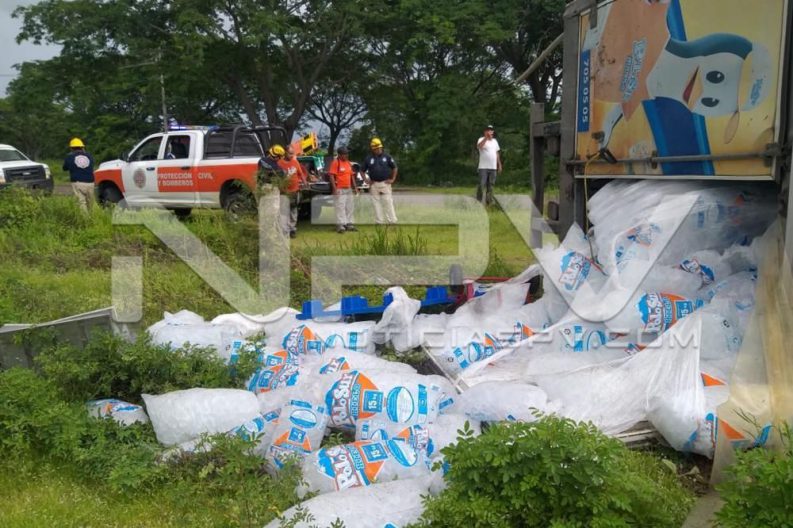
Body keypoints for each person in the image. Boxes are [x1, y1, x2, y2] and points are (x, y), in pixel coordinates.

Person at [362, 137, 398, 224]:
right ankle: (379, 221)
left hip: (385, 183)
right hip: (374, 184)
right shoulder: (368, 158)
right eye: (376, 148)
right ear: (372, 149)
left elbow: (395, 167)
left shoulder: (387, 157)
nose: (378, 150)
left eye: (379, 148)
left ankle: (392, 221)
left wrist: (392, 179)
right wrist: (366, 180)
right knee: (376, 204)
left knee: (388, 202)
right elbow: (362, 170)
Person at [277, 145, 308, 238]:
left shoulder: (295, 162)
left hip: (295, 191)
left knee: (293, 211)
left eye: (293, 153)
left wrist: (305, 183)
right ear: (285, 153)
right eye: (290, 153)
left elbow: (301, 174)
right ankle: (284, 230)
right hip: (284, 192)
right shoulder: (279, 163)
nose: (292, 155)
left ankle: (292, 229)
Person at [327, 146, 358, 233]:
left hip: (348, 188)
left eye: (347, 154)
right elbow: (332, 176)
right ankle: (340, 225)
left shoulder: (348, 163)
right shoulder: (336, 163)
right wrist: (334, 189)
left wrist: (355, 187)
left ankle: (349, 224)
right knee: (340, 207)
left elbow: (352, 176)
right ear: (340, 155)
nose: (347, 155)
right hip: (340, 189)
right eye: (345, 154)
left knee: (350, 206)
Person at [62, 137, 95, 212]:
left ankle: (85, 222)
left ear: (72, 148)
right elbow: (91, 165)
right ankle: (93, 220)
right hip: (91, 182)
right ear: (82, 147)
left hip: (78, 182)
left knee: (81, 203)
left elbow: (64, 168)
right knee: (90, 204)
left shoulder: (70, 156)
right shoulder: (89, 156)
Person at [476, 125, 502, 206]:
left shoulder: (495, 141)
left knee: (491, 185)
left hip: (493, 167)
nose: (490, 131)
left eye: (491, 130)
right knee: (482, 184)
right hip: (483, 167)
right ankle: (478, 201)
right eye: (488, 130)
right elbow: (479, 146)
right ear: (485, 131)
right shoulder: (481, 139)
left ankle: (489, 202)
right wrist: (486, 138)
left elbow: (497, 153)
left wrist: (499, 164)